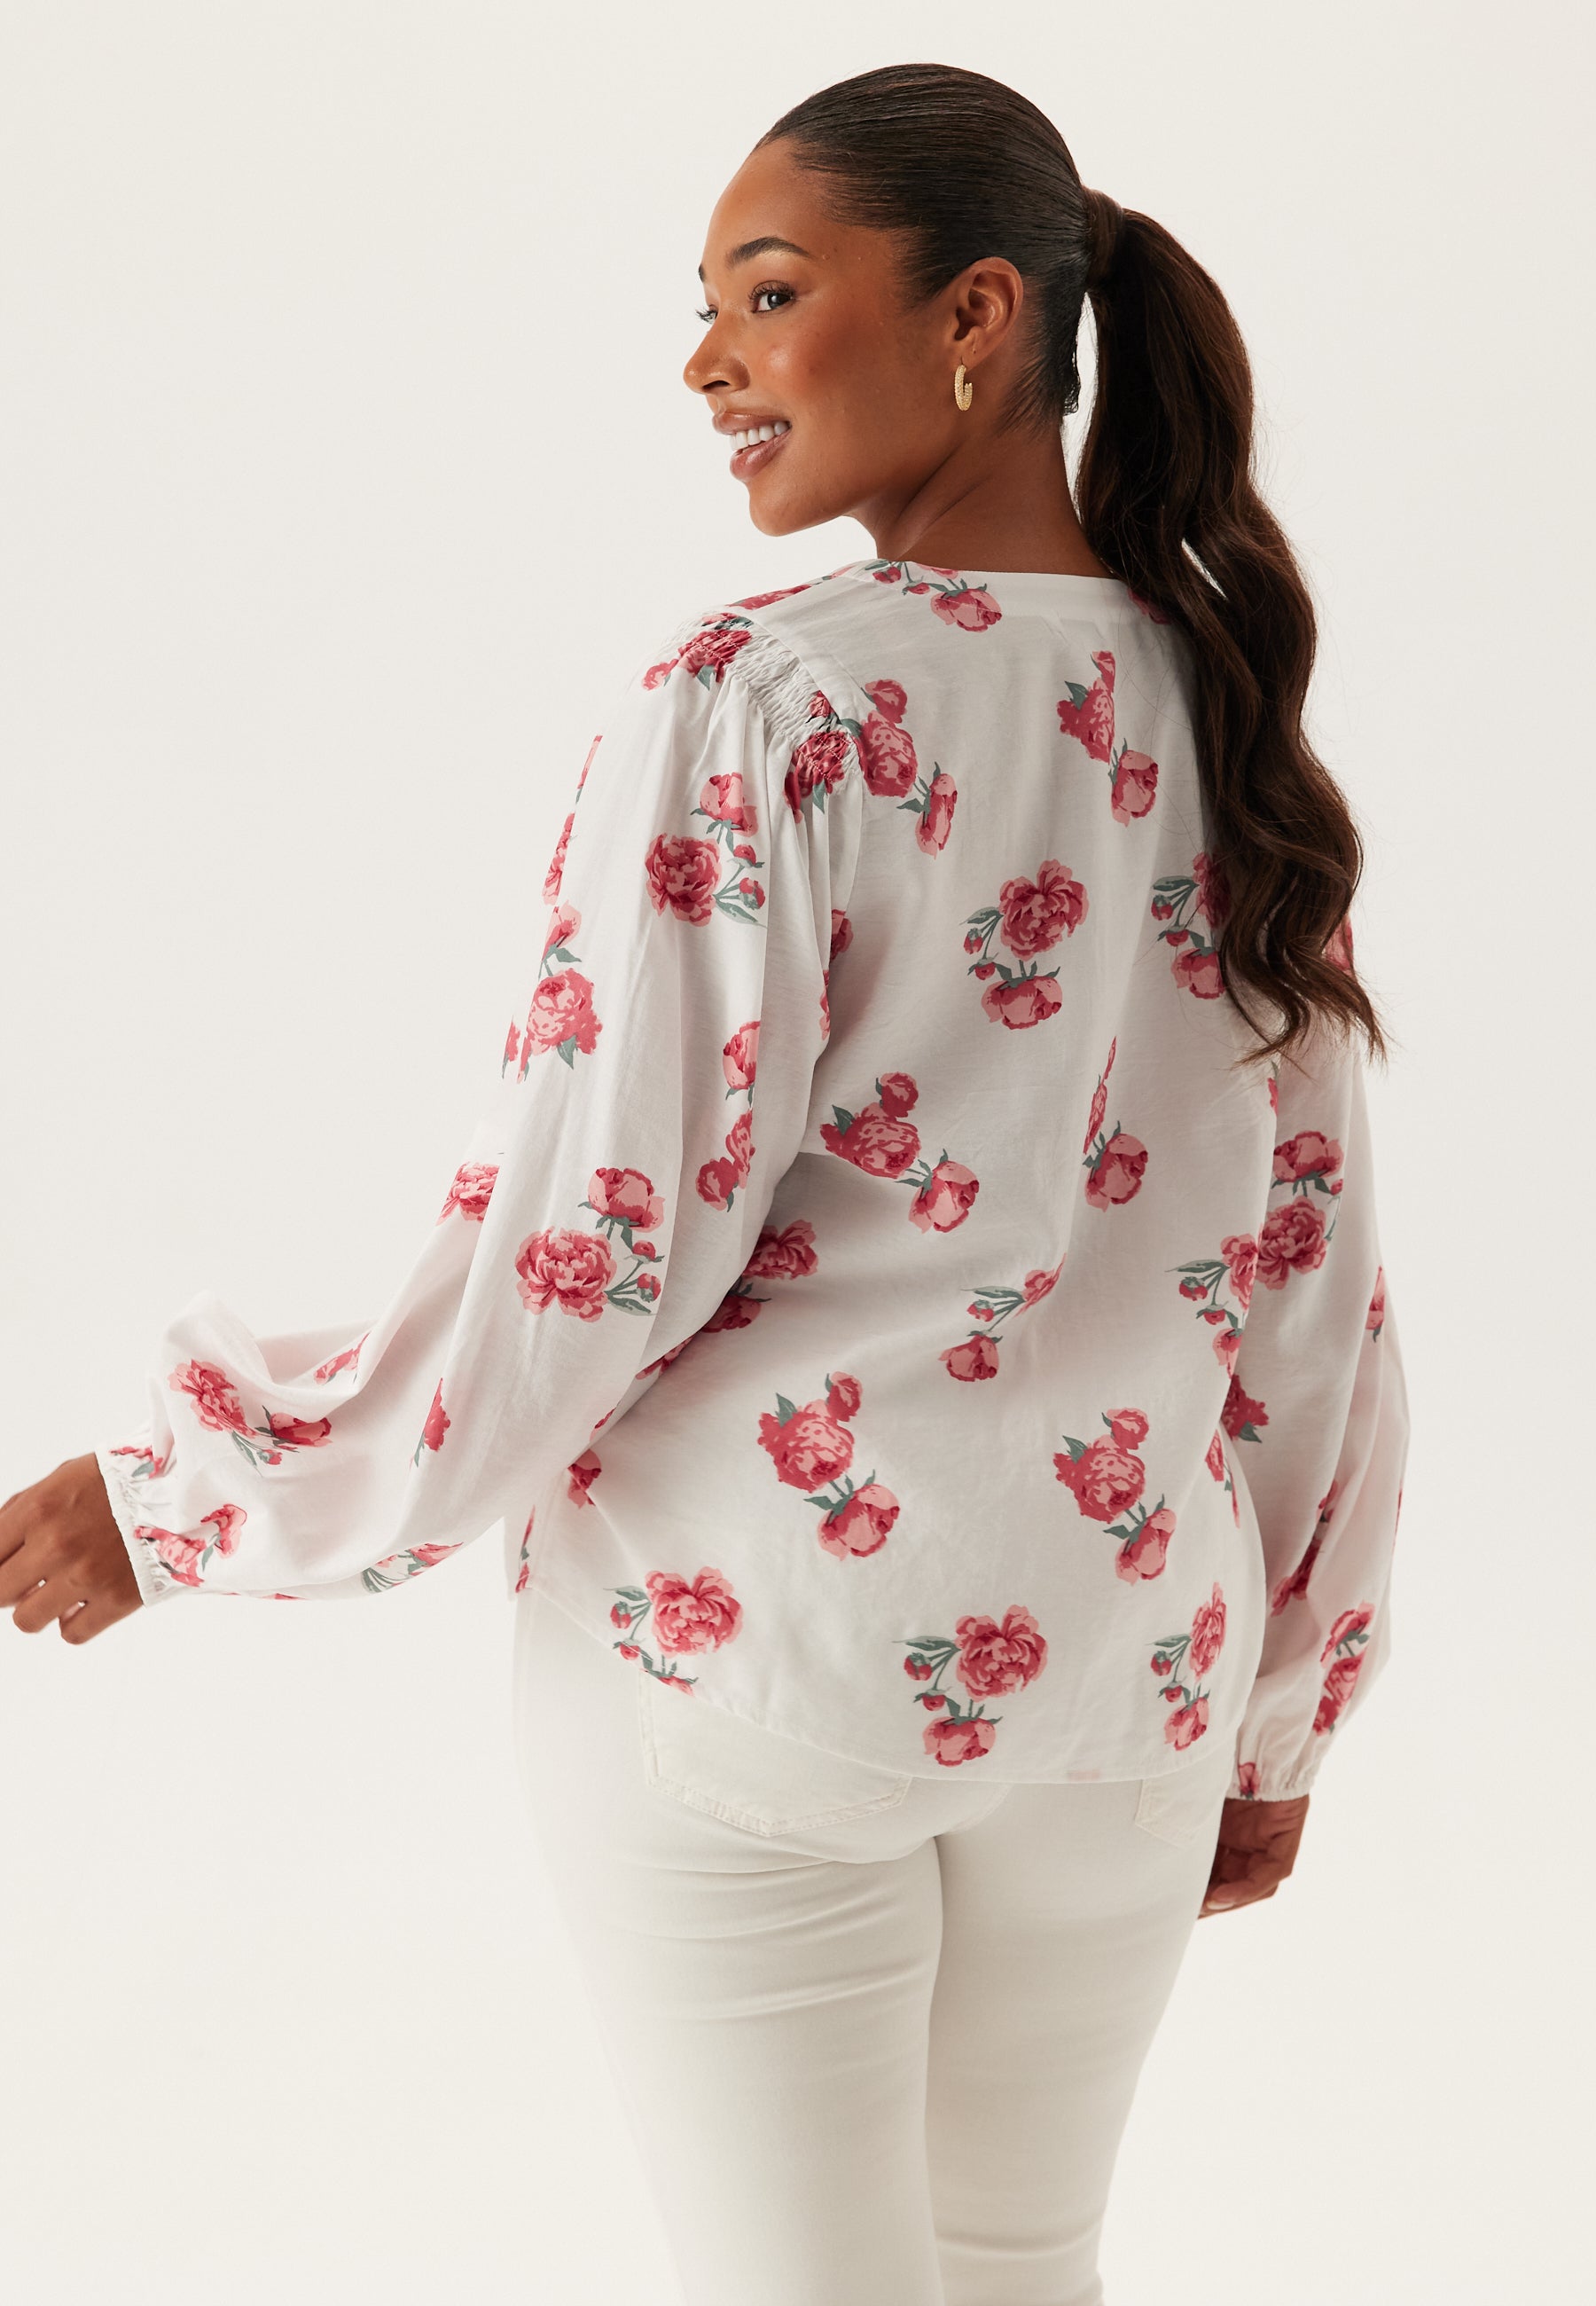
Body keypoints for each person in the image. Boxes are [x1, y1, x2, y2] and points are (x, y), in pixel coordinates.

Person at [0, 60, 1408, 2306]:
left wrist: (193, 1496)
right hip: (1121, 1691)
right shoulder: (1223, 705)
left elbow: (590, 1252)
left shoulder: (766, 702)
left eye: (765, 293)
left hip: (756, 1657)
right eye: (706, 308)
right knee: (1026, 2270)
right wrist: (1283, 1700)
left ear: (975, 316)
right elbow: (1312, 1278)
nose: (707, 364)